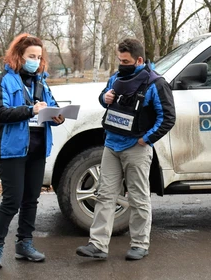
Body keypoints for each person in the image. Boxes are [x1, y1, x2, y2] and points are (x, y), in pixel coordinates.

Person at [76, 39, 176, 261]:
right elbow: (104, 98)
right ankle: (98, 245)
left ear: (139, 60)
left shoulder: (156, 83)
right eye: (119, 60)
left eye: (126, 61)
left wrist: (146, 139)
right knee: (104, 195)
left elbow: (168, 118)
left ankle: (140, 244)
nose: (121, 64)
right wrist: (105, 97)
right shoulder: (116, 77)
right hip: (111, 145)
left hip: (136, 148)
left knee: (138, 198)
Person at [0, 34, 65, 268]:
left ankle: (25, 244)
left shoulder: (41, 81)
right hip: (12, 150)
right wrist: (30, 110)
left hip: (38, 149)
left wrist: (57, 116)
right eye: (32, 56)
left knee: (31, 200)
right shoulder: (3, 81)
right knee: (12, 200)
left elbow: (49, 107)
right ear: (19, 55)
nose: (36, 60)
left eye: (39, 57)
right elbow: (1, 113)